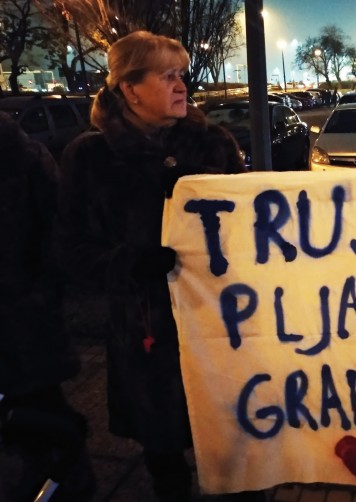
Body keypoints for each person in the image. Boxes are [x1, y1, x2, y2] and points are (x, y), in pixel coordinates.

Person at [55, 31, 263, 502]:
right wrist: (130, 263)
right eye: (167, 76)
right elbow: (70, 249)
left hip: (220, 323)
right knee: (165, 453)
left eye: (181, 74)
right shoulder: (91, 158)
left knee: (237, 445)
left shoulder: (212, 144)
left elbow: (253, 229)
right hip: (146, 333)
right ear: (130, 88)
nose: (181, 85)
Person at [0, 111, 95, 501]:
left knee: (43, 416)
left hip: (20, 322)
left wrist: (36, 299)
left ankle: (68, 481)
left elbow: (58, 235)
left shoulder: (20, 156)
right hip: (23, 316)